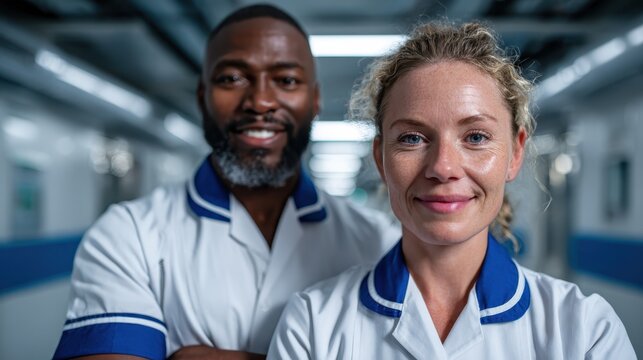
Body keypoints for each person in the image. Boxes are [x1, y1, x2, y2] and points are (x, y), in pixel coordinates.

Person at [268, 21, 636, 359]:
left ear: (515, 153)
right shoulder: (313, 325)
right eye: (412, 138)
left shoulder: (586, 331)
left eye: (476, 137)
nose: (443, 167)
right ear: (380, 159)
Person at [52, 4, 399, 360]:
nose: (260, 101)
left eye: (287, 80)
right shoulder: (128, 235)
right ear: (203, 99)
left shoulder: (379, 241)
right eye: (232, 78)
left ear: (314, 101)